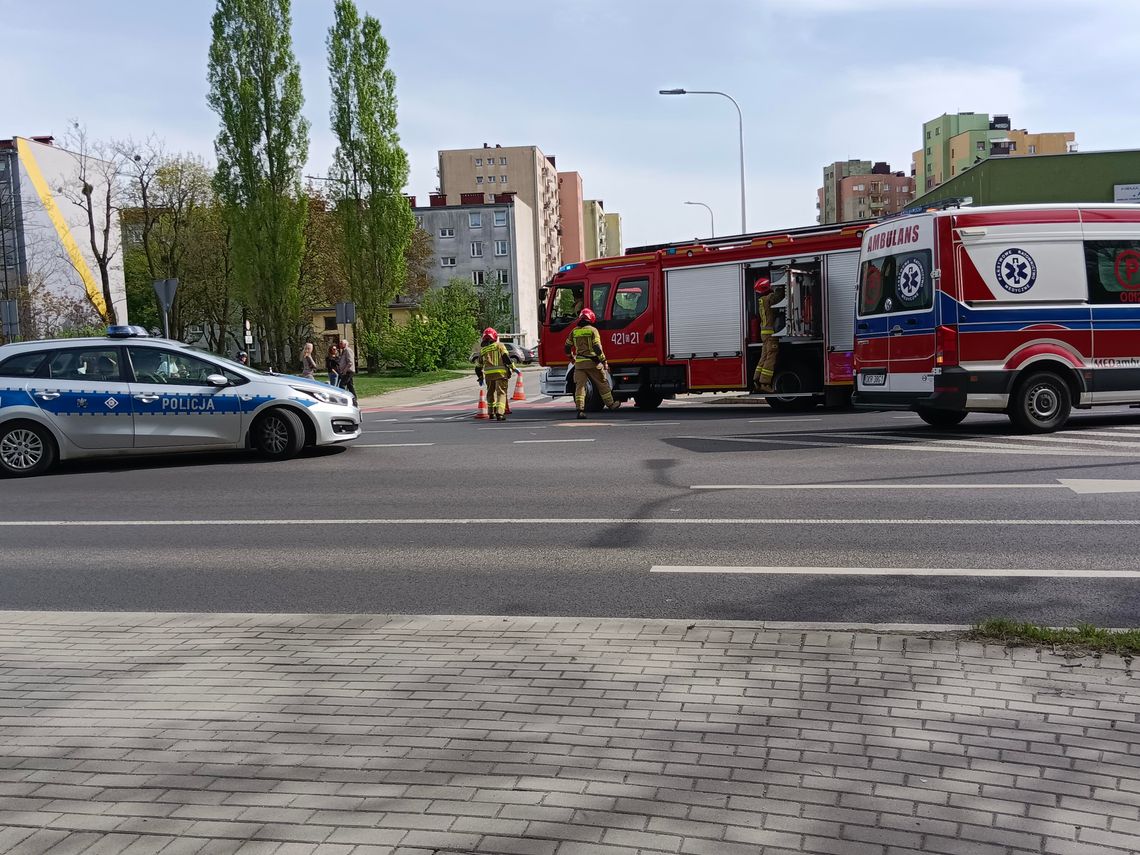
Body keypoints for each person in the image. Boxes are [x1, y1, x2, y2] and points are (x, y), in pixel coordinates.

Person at [565, 308, 620, 419]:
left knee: (580, 387)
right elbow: (597, 347)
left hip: (579, 364)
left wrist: (571, 358)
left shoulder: (574, 331)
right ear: (591, 318)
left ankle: (580, 410)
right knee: (602, 384)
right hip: (593, 363)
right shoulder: (593, 330)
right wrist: (604, 360)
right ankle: (611, 404)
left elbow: (566, 347)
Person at [474, 327, 515, 421]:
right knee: (501, 393)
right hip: (501, 374)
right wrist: (513, 368)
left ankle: (491, 413)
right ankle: (500, 413)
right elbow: (506, 358)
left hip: (488, 376)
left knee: (490, 393)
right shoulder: (500, 346)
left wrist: (480, 377)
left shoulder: (483, 350)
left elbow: (478, 367)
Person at [752, 278, 779, 393]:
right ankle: (765, 383)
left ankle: (756, 380)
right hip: (770, 334)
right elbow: (779, 296)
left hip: (764, 334)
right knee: (771, 357)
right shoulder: (769, 298)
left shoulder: (762, 300)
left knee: (763, 357)